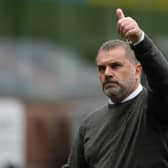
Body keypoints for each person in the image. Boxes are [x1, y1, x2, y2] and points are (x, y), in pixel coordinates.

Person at [64, 8, 168, 168]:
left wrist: (140, 40)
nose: (107, 73)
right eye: (101, 68)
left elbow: (163, 81)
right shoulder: (90, 125)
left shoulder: (154, 108)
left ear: (137, 71)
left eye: (115, 66)